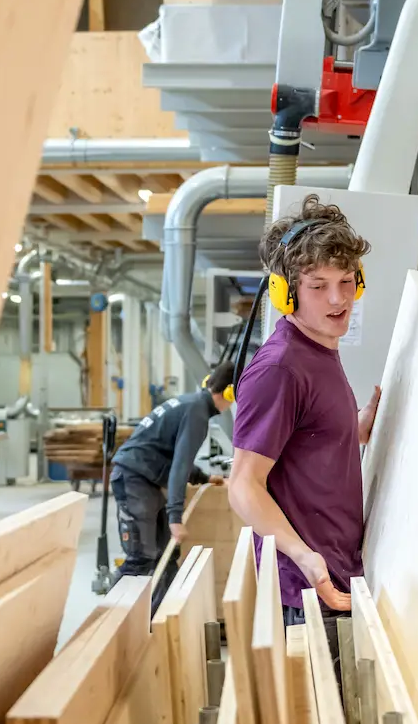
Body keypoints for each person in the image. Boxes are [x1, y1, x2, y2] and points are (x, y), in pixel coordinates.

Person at [227, 195, 381, 659]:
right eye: (318, 285)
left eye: (346, 282)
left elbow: (305, 441)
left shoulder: (320, 352)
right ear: (286, 293)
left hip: (335, 575)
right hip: (308, 591)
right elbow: (242, 486)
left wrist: (357, 429)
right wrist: (305, 558)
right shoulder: (281, 368)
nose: (338, 300)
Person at [110, 360, 232, 597]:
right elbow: (179, 464)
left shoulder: (192, 405)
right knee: (141, 558)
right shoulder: (197, 413)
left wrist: (205, 477)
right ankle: (110, 624)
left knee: (166, 555)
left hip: (146, 478)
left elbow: (173, 455)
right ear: (229, 392)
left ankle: (161, 624)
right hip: (134, 479)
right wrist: (175, 517)